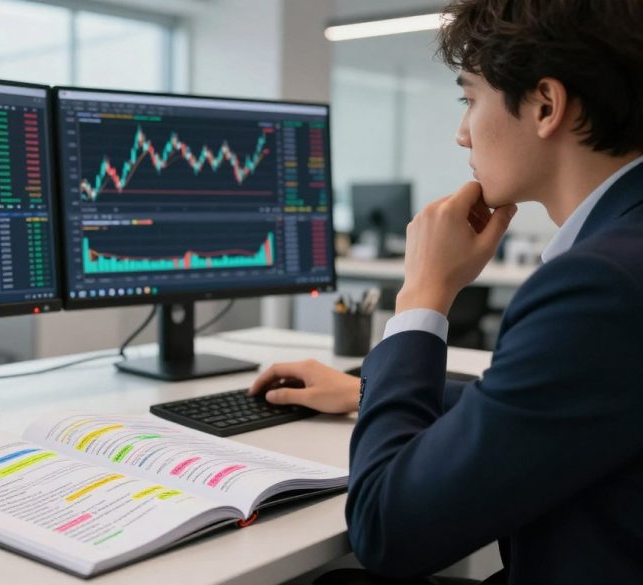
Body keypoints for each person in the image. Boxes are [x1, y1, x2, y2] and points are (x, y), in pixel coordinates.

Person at [248, 0, 643, 582]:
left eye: (469, 99)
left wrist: (423, 296)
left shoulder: (598, 287)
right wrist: (367, 392)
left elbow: (386, 528)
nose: (462, 135)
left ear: (545, 105)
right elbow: (548, 403)